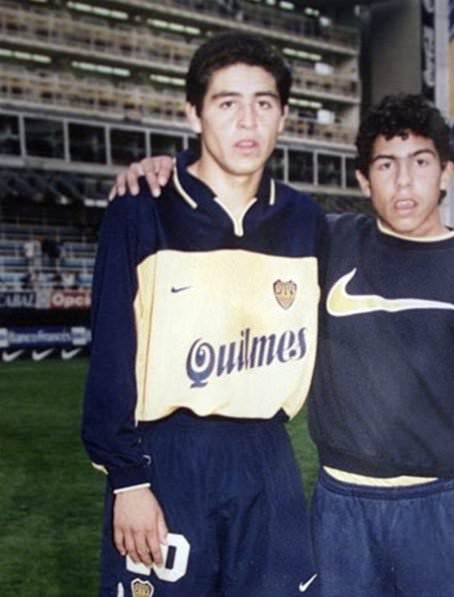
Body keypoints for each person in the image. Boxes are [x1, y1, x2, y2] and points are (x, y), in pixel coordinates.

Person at [114, 94, 454, 596]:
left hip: (441, 505)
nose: (404, 181)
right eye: (386, 165)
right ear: (364, 180)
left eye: (420, 162)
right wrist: (172, 173)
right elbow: (236, 216)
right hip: (341, 507)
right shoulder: (328, 243)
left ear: (446, 172)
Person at [83, 32, 324, 597]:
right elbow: (111, 355)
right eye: (226, 102)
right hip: (168, 459)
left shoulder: (306, 221)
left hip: (268, 458)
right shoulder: (143, 209)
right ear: (194, 113)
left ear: (284, 117)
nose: (247, 121)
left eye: (263, 103)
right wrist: (129, 481)